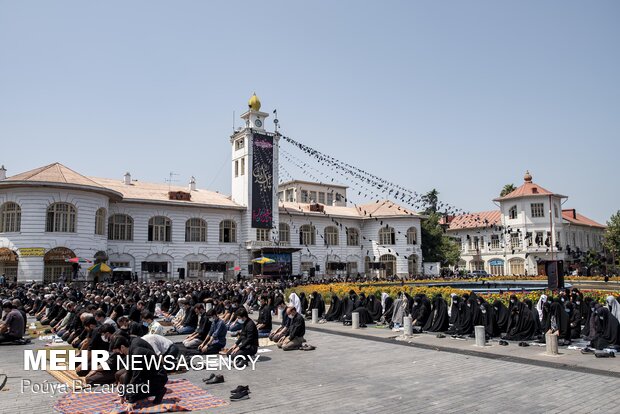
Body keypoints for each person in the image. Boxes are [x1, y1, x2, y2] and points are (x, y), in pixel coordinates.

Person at [112, 336, 168, 409]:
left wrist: (131, 401)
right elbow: (129, 374)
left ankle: (159, 390)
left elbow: (135, 377)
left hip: (158, 378)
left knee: (131, 395)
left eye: (119, 351)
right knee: (127, 394)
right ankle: (153, 390)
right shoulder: (131, 353)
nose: (120, 353)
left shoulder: (137, 354)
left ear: (122, 347)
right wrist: (122, 395)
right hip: (148, 376)